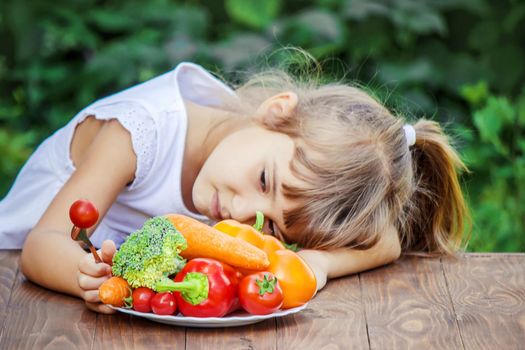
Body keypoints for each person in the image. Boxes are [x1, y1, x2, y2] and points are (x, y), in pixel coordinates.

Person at [0, 61, 470, 313]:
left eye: (277, 223)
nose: (244, 212)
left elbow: (385, 241)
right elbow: (40, 248)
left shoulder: (252, 153)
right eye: (266, 180)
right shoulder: (139, 133)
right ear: (276, 113)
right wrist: (90, 280)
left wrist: (316, 263)